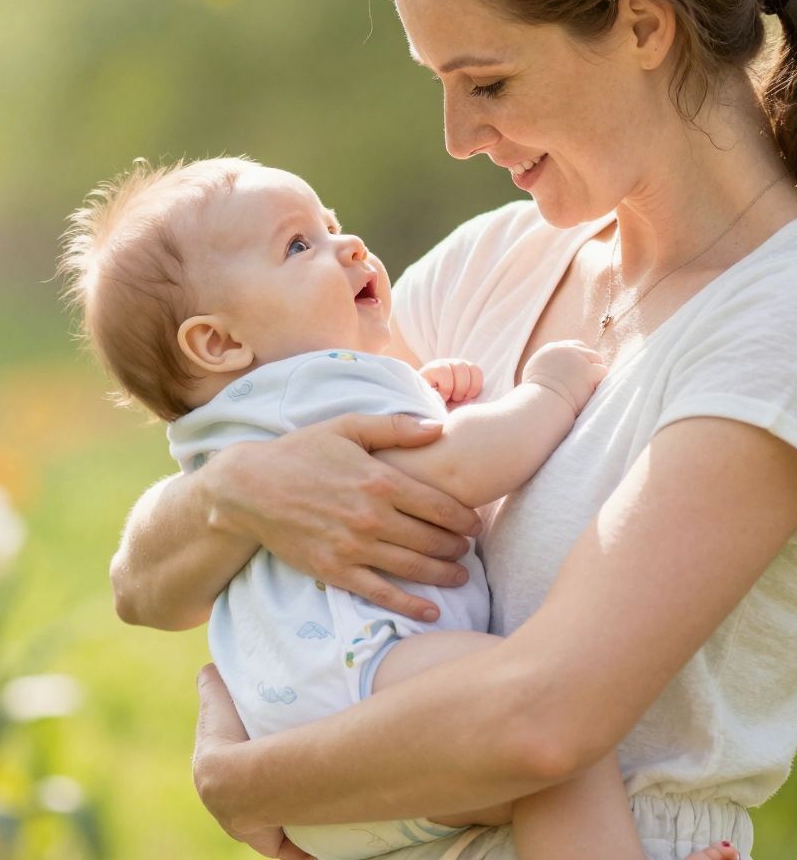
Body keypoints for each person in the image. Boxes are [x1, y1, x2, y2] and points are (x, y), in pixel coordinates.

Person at [108, 0, 797, 860]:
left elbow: (545, 720)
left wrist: (244, 781)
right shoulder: (499, 262)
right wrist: (240, 491)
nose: (455, 135)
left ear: (639, 27)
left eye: (485, 82)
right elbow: (141, 583)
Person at [60, 156, 743, 860]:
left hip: (301, 761)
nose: (347, 246)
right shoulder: (315, 385)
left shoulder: (234, 427)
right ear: (220, 341)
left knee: (528, 778)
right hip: (370, 681)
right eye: (299, 246)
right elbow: (460, 466)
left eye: (332, 225)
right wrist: (549, 392)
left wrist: (422, 392)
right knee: (556, 745)